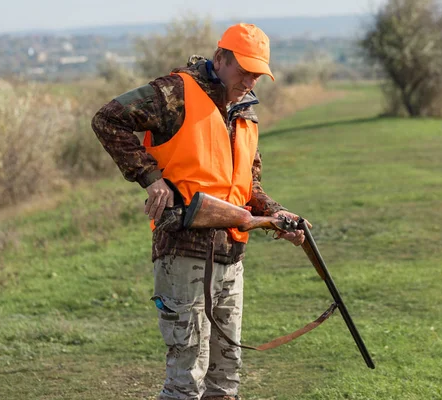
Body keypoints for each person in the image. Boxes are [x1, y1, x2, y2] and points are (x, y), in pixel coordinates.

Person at [91, 23, 306, 400]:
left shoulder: (246, 112)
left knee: (225, 383)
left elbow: (248, 187)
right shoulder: (175, 93)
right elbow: (108, 119)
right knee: (185, 382)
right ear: (220, 59)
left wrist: (279, 216)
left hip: (231, 256)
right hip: (183, 252)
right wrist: (149, 177)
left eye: (258, 73)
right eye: (244, 70)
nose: (250, 80)